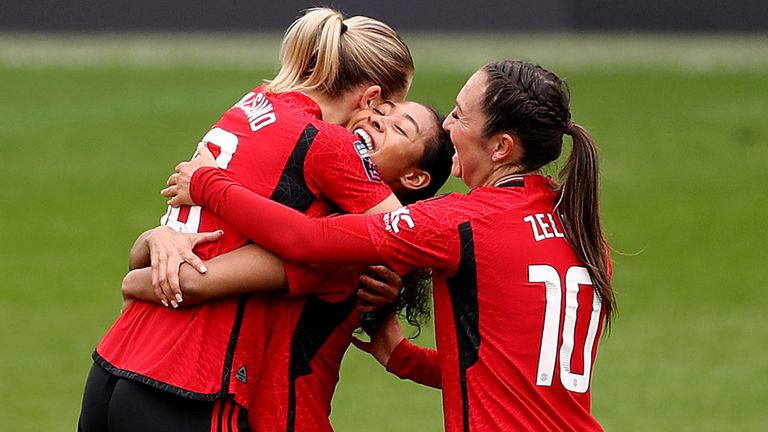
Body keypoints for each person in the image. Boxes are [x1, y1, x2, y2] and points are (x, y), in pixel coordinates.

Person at [164, 59, 616, 431]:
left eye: (458, 115)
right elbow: (519, 375)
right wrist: (404, 358)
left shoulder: (464, 222)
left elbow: (306, 240)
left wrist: (208, 183)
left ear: (500, 148)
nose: (448, 125)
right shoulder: (580, 229)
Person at [78, 7, 417, 431]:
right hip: (191, 378)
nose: (378, 126)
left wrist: (153, 241)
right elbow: (402, 233)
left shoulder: (253, 103)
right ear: (370, 98)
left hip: (119, 355)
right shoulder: (329, 145)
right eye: (388, 110)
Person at [121, 100, 453, 431]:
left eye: (399, 128)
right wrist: (158, 237)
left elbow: (197, 278)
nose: (379, 120)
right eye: (380, 111)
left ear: (414, 178)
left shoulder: (348, 245)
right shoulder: (299, 205)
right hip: (230, 411)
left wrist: (134, 281)